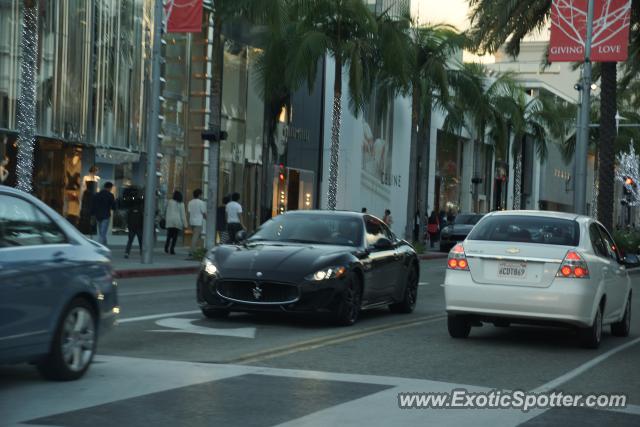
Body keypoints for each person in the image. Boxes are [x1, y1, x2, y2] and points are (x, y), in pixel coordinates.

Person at [164, 190, 187, 255]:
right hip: (177, 221)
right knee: (175, 237)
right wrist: (185, 224)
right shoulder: (181, 204)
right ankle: (172, 249)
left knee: (169, 235)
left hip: (170, 221)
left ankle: (166, 247)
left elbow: (165, 210)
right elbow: (183, 215)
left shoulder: (170, 202)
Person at [124, 190, 144, 259]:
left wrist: (127, 225)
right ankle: (142, 252)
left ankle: (127, 253)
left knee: (130, 240)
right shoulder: (141, 210)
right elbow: (142, 218)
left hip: (131, 226)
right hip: (139, 226)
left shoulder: (130, 210)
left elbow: (127, 218)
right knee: (140, 240)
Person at [188, 188, 207, 256]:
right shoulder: (201, 203)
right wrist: (207, 219)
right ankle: (191, 251)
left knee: (196, 236)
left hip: (192, 221)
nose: (202, 196)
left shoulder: (190, 202)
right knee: (195, 237)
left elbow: (189, 212)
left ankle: (196, 250)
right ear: (199, 195)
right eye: (201, 194)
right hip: (198, 222)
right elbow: (204, 213)